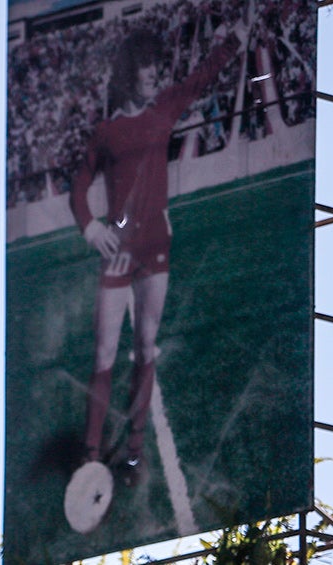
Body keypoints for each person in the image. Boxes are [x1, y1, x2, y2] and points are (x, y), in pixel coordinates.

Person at [70, 24, 244, 485]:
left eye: (156, 67)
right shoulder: (106, 131)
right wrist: (90, 227)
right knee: (105, 351)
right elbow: (80, 183)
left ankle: (132, 453)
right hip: (119, 250)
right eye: (147, 67)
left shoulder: (166, 107)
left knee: (146, 346)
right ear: (131, 73)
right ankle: (90, 455)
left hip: (156, 247)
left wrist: (231, 42)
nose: (154, 74)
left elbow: (200, 79)